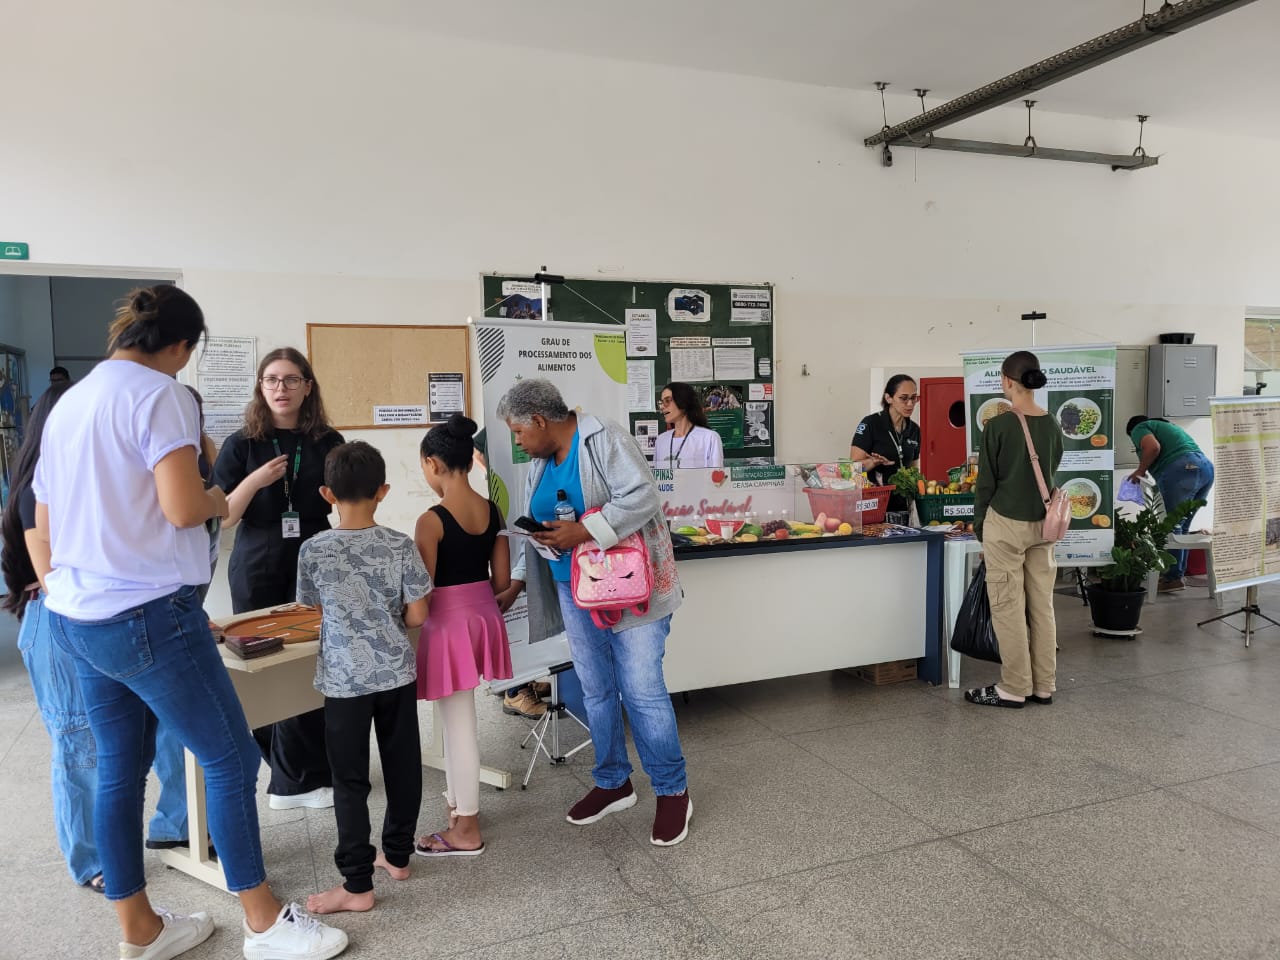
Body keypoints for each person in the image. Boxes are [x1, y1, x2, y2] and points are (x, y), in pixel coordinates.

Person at [33, 285, 347, 960]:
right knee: (230, 757)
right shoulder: (161, 395)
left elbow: (47, 522)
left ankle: (140, 929)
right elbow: (184, 508)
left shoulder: (70, 403)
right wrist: (214, 495)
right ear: (180, 346)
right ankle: (264, 923)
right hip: (147, 611)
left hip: (79, 614)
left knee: (120, 769)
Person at [497, 378, 692, 846]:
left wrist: (584, 532)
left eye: (519, 432)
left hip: (631, 591)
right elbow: (539, 528)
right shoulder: (539, 463)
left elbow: (643, 497)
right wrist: (517, 581)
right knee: (596, 689)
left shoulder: (604, 437)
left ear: (540, 421)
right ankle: (613, 782)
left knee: (642, 691)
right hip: (575, 591)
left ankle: (672, 791)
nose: (518, 442)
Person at [296, 441, 430, 915]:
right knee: (403, 766)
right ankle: (398, 857)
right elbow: (418, 616)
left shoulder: (313, 549)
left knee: (349, 779)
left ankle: (357, 884)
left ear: (327, 494)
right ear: (383, 491)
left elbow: (312, 608)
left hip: (344, 681)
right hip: (396, 674)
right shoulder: (400, 545)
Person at [213, 347, 344, 810]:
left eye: (290, 380)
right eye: (271, 379)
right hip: (258, 555)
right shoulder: (241, 444)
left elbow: (348, 499)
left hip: (314, 550)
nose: (280, 388)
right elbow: (224, 516)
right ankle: (288, 775)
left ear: (307, 386)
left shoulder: (328, 440)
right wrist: (256, 480)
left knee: (311, 660)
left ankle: (308, 772)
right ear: (260, 386)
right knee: (264, 662)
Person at [413, 414, 513, 857]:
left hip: (447, 625)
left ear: (433, 464)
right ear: (469, 463)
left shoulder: (430, 520)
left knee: (459, 726)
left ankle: (467, 827)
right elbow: (502, 581)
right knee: (457, 720)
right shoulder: (492, 511)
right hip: (482, 617)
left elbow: (421, 590)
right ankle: (457, 807)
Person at [967, 350, 1063, 709]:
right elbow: (1051, 470)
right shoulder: (1052, 424)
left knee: (1007, 606)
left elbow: (986, 485)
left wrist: (981, 526)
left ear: (1007, 380)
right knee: (1042, 606)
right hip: (1043, 526)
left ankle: (1014, 686)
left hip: (1005, 524)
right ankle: (1044, 685)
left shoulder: (998, 426)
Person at [1125, 415, 1215, 592]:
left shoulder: (1139, 427)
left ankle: (1171, 578)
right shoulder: (1168, 428)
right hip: (1206, 469)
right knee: (1182, 527)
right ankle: (1176, 576)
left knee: (1171, 526)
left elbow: (1152, 447)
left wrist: (1140, 471)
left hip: (1182, 469)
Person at [850, 374, 921, 511]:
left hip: (902, 507)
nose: (910, 404)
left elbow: (914, 470)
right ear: (888, 398)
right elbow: (852, 468)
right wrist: (873, 462)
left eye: (913, 398)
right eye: (903, 398)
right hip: (874, 504)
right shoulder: (871, 423)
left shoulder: (915, 430)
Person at [652, 382, 724, 469]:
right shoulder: (661, 441)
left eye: (667, 401)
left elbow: (716, 475)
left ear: (682, 401)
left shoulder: (709, 438)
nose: (662, 407)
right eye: (661, 402)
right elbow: (655, 475)